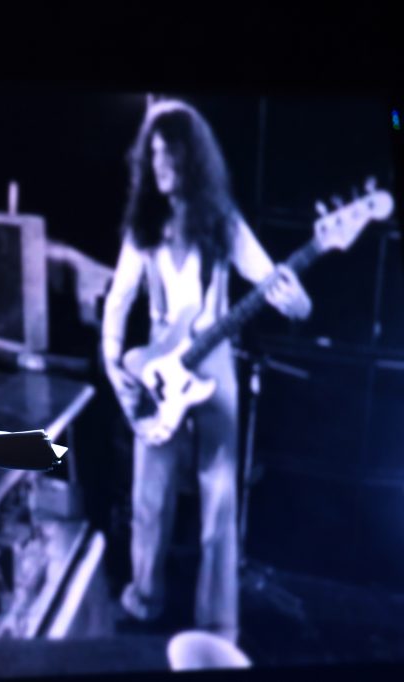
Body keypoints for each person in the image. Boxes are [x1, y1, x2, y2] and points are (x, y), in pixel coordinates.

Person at [101, 99, 312, 642]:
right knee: (149, 497)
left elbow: (273, 280)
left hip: (214, 359)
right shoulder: (142, 228)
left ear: (192, 160)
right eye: (153, 156)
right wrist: (117, 369)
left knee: (219, 495)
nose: (159, 166)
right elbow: (119, 302)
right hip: (157, 367)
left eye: (169, 155)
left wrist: (296, 301)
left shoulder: (224, 223)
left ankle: (218, 622)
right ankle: (145, 599)